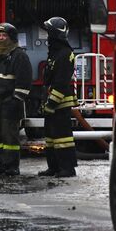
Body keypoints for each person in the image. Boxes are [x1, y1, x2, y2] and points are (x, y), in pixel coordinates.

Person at [0, 23, 32, 176]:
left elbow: (24, 81)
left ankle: (12, 166)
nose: (1, 38)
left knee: (9, 136)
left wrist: (16, 99)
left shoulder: (19, 56)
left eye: (4, 35)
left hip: (10, 103)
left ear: (11, 37)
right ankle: (2, 164)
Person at [38, 17, 79, 178]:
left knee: (63, 138)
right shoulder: (54, 53)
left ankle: (67, 169)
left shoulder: (65, 54)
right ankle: (54, 167)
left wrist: (52, 103)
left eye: (49, 33)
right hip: (51, 102)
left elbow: (61, 82)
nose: (47, 36)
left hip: (60, 103)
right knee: (50, 137)